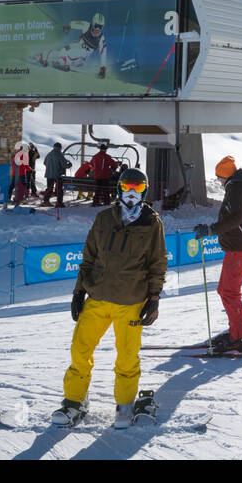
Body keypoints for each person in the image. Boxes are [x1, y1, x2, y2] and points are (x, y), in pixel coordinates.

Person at [54, 167, 167, 428]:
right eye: (127, 186)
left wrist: (154, 297)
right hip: (98, 297)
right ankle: (74, 402)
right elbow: (89, 256)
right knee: (80, 350)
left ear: (144, 192)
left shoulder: (152, 223)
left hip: (131, 301)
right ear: (119, 189)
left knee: (127, 357)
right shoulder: (104, 219)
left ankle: (125, 405)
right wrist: (79, 290)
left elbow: (158, 262)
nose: (131, 193)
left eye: (137, 188)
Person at [197, 157, 242, 353]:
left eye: (219, 178)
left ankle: (241, 337)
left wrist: (211, 230)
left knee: (229, 293)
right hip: (238, 247)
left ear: (225, 176)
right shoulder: (238, 188)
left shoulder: (236, 189)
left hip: (238, 248)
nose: (219, 182)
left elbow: (235, 218)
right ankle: (237, 332)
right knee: (225, 290)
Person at [39, 12, 109, 78]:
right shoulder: (87, 26)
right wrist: (68, 27)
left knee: (75, 60)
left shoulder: (101, 38)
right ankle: (45, 55)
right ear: (93, 24)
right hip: (77, 47)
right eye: (96, 26)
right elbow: (74, 23)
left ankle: (61, 60)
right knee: (64, 51)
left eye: (100, 27)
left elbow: (103, 53)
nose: (98, 29)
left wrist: (103, 68)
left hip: (83, 58)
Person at [42, 142, 70, 207]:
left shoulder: (49, 154)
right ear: (60, 148)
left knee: (49, 188)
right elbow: (64, 165)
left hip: (48, 174)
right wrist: (69, 164)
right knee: (59, 189)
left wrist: (50, 168)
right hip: (57, 175)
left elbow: (45, 163)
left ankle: (46, 201)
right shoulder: (59, 154)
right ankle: (59, 203)